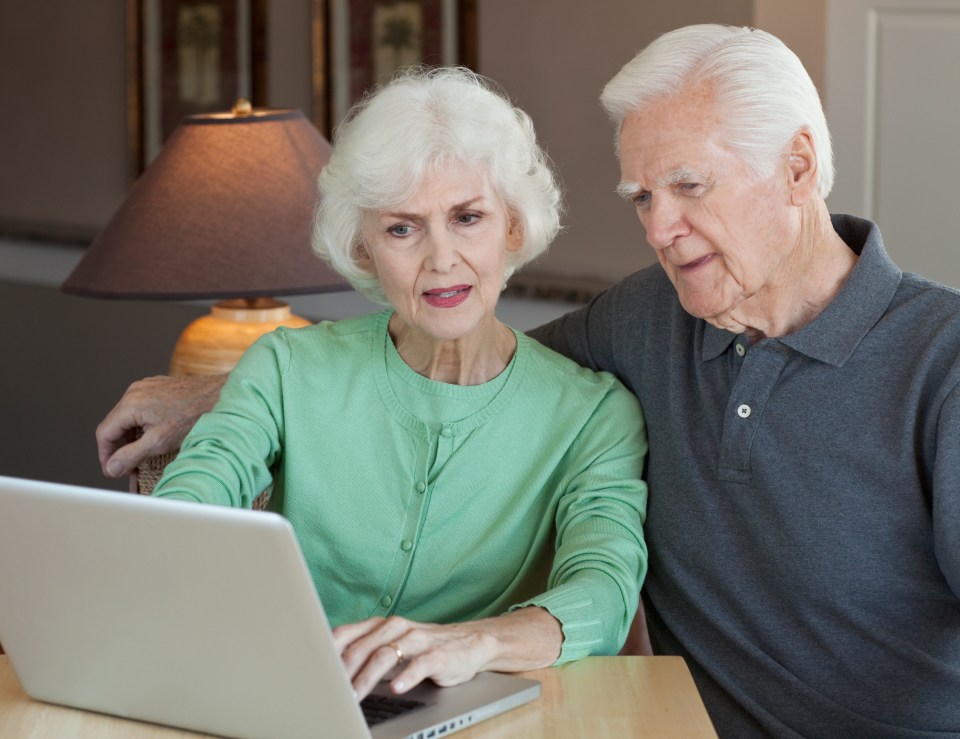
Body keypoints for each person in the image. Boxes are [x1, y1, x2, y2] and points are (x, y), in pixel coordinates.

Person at [97, 25, 960, 736]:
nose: (660, 230)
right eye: (641, 198)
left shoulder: (941, 364)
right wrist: (222, 393)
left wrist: (473, 641)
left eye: (688, 186)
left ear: (800, 169)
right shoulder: (650, 318)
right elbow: (455, 352)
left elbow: (596, 563)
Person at [142, 66, 649, 703]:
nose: (440, 259)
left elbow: (602, 593)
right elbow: (198, 491)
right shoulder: (286, 366)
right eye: (401, 228)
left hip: (485, 708)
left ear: (513, 228)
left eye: (467, 217)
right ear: (363, 249)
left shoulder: (593, 415)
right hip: (292, 698)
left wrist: (478, 642)